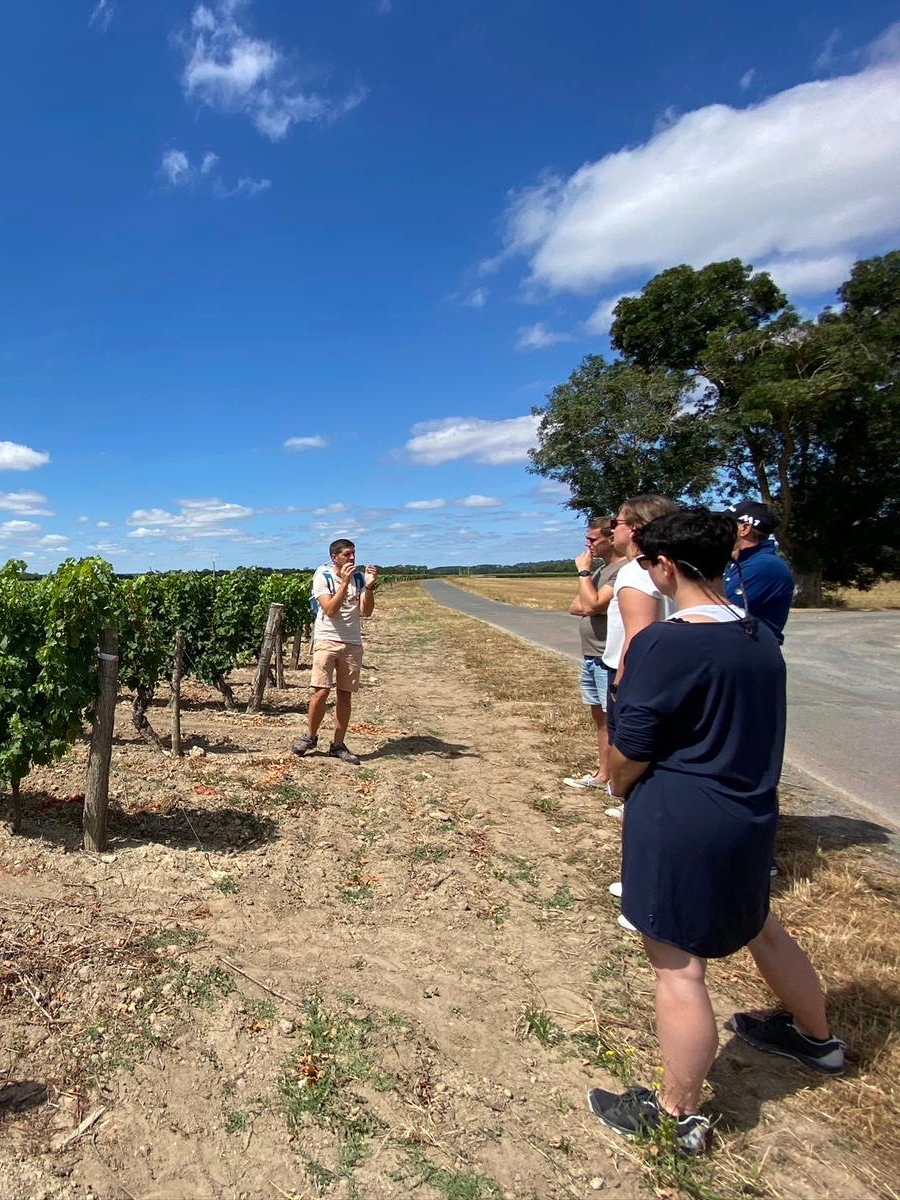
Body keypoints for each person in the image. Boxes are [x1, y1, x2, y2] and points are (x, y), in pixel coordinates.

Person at [588, 509, 843, 1155]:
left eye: (647, 562)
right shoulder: (756, 635)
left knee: (676, 965)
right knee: (761, 923)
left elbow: (634, 742)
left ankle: (676, 1114)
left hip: (683, 817)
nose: (646, 572)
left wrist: (616, 783)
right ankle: (817, 1040)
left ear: (666, 566)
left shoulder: (666, 642)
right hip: (749, 810)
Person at [601, 494, 679, 822]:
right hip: (668, 671)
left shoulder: (636, 571)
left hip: (636, 674)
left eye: (616, 523)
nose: (612, 529)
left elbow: (639, 636)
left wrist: (622, 683)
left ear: (633, 529)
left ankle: (640, 814)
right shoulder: (669, 566)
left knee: (634, 751)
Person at [292, 539, 378, 766]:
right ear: (335, 557)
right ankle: (310, 737)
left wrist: (368, 587)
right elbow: (329, 610)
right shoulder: (323, 576)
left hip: (352, 642)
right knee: (320, 691)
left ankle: (338, 745)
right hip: (326, 640)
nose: (352, 558)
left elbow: (366, 612)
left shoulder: (358, 579)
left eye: (354, 554)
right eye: (347, 554)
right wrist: (344, 583)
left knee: (345, 694)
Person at [563, 518, 626, 790]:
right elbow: (576, 605)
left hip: (607, 656)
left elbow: (595, 604)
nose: (587, 545)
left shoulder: (622, 570)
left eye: (592, 540)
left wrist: (583, 573)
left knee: (615, 720)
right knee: (600, 718)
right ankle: (604, 775)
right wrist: (590, 602)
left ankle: (621, 782)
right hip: (590, 656)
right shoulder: (604, 570)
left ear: (611, 538)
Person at [722, 500, 794, 643]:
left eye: (726, 524)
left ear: (745, 529)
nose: (719, 529)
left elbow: (720, 610)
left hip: (748, 654)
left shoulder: (766, 566)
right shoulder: (739, 562)